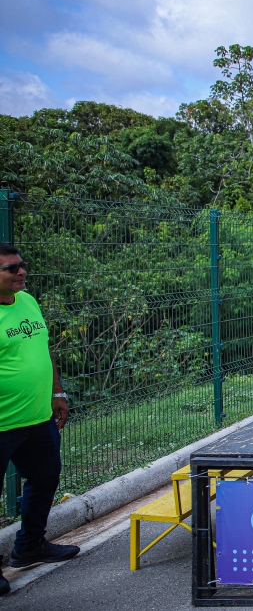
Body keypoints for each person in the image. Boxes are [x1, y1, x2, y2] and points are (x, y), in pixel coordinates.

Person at [0, 244, 80, 594]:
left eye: (22, 265)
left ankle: (30, 546)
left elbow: (43, 348)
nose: (21, 272)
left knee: (45, 477)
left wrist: (57, 393)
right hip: (2, 423)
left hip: (36, 417)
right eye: (11, 268)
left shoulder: (27, 301)